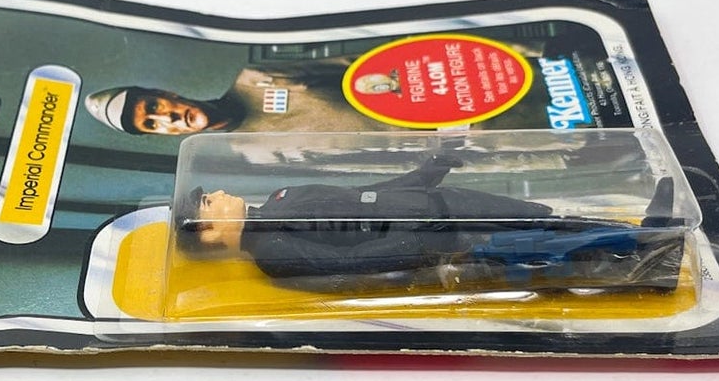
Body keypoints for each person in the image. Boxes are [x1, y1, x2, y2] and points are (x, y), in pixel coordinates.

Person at [174, 154, 684, 293]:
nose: (216, 195)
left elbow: (368, 193)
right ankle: (642, 265)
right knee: (541, 249)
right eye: (208, 203)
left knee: (546, 217)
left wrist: (425, 173)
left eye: (209, 193)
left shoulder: (282, 196)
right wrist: (420, 247)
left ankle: (643, 235)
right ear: (210, 233)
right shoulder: (273, 253)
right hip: (445, 237)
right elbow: (352, 264)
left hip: (440, 203)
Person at [85, 62, 360, 136]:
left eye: (153, 106)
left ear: (166, 94)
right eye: (152, 124)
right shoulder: (250, 157)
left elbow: (361, 63)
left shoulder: (256, 76)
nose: (167, 118)